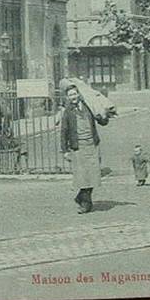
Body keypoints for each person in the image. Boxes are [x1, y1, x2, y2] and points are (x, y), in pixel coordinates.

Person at [60, 83, 113, 213]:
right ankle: (85, 204)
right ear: (67, 97)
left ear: (79, 94)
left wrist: (105, 116)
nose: (73, 96)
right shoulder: (67, 112)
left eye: (75, 93)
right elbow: (64, 131)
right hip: (78, 147)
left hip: (92, 145)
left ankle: (81, 198)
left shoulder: (89, 106)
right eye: (70, 95)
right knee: (83, 177)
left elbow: (102, 121)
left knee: (93, 175)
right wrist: (65, 150)